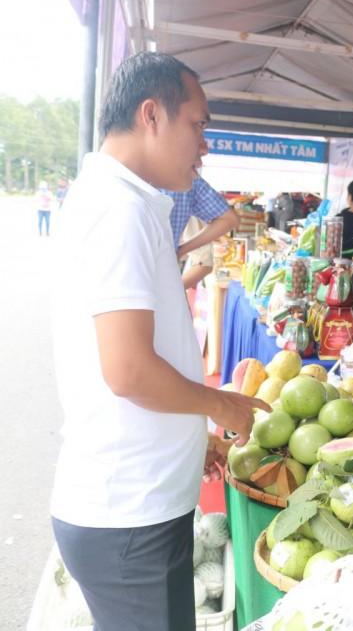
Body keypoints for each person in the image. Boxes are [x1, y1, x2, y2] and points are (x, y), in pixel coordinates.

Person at [49, 52, 268, 631]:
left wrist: (193, 435)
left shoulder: (131, 201)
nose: (205, 145)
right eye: (198, 125)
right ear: (152, 115)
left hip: (139, 513)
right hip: (127, 520)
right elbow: (128, 369)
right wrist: (222, 407)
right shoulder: (116, 208)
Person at [162, 174, 238, 258]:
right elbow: (229, 219)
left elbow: (229, 219)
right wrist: (180, 251)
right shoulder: (189, 178)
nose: (199, 163)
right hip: (166, 260)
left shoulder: (190, 180)